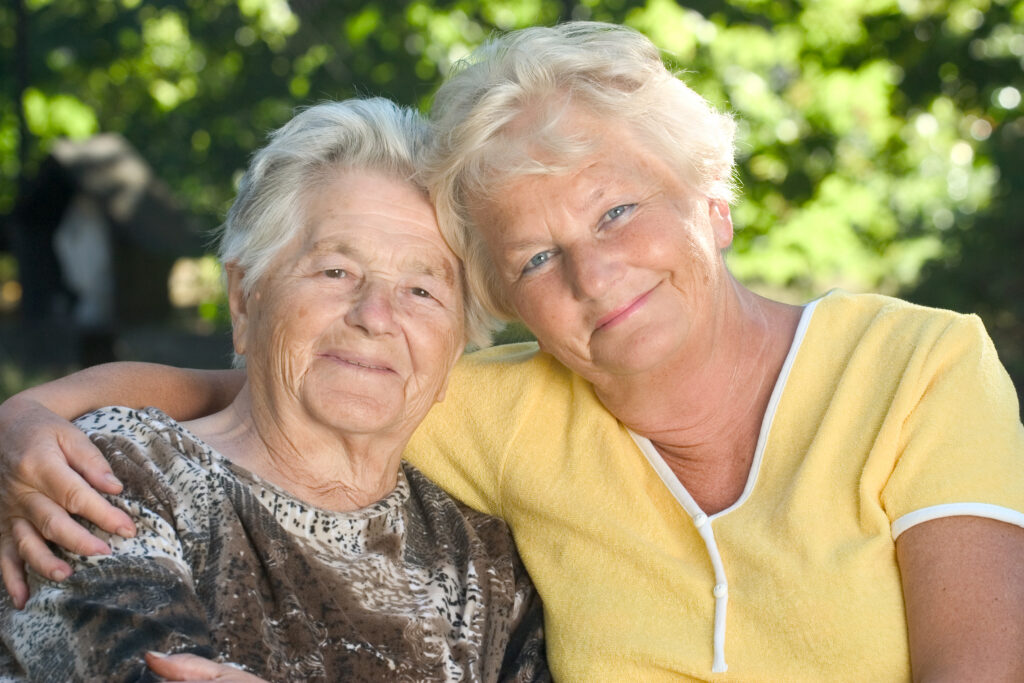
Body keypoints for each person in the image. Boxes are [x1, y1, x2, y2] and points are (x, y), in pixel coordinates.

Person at [1, 21, 1023, 681]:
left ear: (710, 203)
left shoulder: (915, 369)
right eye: (536, 255)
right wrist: (29, 416)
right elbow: (272, 379)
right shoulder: (490, 408)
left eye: (617, 209)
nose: (592, 273)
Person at [0, 98, 547, 682]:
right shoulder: (110, 473)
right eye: (336, 271)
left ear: (459, 343)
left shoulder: (485, 561)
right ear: (244, 297)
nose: (375, 316)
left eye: (422, 290)